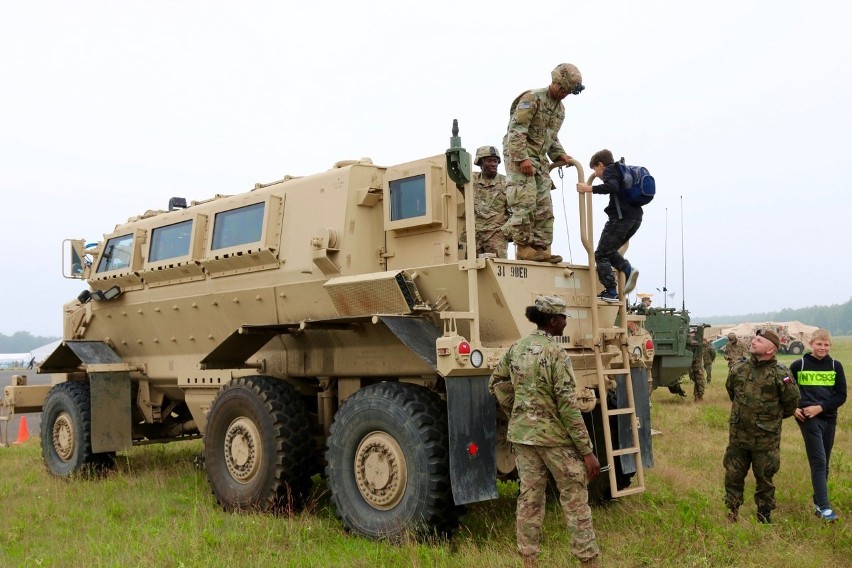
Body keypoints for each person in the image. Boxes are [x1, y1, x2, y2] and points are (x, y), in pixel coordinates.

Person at [489, 295, 601, 567]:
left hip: (524, 438)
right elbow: (568, 406)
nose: (565, 322)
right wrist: (587, 453)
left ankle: (529, 560)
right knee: (575, 499)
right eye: (563, 318)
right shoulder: (556, 354)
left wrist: (517, 410)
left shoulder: (517, 347)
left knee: (529, 499)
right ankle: (588, 560)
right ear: (553, 321)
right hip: (554, 440)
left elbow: (497, 381)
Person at [502, 63, 584, 264]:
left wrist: (561, 155)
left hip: (539, 159)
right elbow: (516, 130)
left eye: (568, 92)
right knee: (525, 200)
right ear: (555, 82)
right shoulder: (532, 99)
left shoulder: (560, 110)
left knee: (544, 205)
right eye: (562, 88)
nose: (564, 94)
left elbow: (551, 138)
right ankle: (522, 247)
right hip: (519, 156)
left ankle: (540, 248)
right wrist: (522, 158)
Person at [723, 329, 800, 524]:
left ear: (771, 349)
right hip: (739, 436)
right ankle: (732, 512)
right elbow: (732, 391)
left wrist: (768, 419)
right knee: (733, 475)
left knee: (765, 479)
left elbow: (791, 403)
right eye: (754, 339)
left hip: (765, 440)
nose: (753, 342)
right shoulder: (739, 368)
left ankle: (764, 516)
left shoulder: (780, 374)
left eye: (759, 340)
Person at [789, 329, 847, 522]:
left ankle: (817, 503)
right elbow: (786, 388)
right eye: (819, 344)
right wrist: (793, 408)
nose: (823, 348)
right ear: (811, 344)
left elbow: (841, 395)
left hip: (828, 418)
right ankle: (825, 508)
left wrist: (821, 408)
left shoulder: (835, 366)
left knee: (825, 463)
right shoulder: (799, 365)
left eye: (826, 345)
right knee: (819, 461)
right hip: (807, 419)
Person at [576, 149, 640, 303]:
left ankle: (611, 290)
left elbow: (612, 187)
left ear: (601, 165)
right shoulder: (622, 171)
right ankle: (627, 270)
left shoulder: (611, 170)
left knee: (600, 254)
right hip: (635, 219)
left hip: (620, 220)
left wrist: (589, 188)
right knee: (609, 252)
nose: (596, 175)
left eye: (595, 170)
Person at [467, 145, 509, 258]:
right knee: (469, 269)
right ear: (481, 163)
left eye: (495, 161)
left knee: (498, 268)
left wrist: (504, 232)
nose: (493, 164)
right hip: (474, 235)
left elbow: (515, 210)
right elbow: (456, 176)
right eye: (489, 161)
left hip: (495, 235)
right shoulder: (472, 179)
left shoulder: (506, 182)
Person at [688, 331, 705, 402]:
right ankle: (699, 397)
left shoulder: (690, 343)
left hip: (692, 367)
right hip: (697, 367)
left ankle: (697, 397)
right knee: (700, 383)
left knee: (697, 382)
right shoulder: (696, 344)